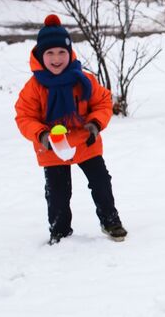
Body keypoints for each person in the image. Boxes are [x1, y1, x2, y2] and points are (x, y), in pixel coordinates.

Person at [14, 14, 127, 245]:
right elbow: (25, 116)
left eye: (61, 52)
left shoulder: (83, 79)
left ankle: (110, 220)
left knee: (101, 182)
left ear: (70, 53)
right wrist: (42, 135)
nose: (56, 59)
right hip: (53, 147)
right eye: (50, 53)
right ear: (40, 56)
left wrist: (95, 124)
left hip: (86, 141)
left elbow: (103, 102)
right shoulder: (34, 87)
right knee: (58, 192)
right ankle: (60, 230)